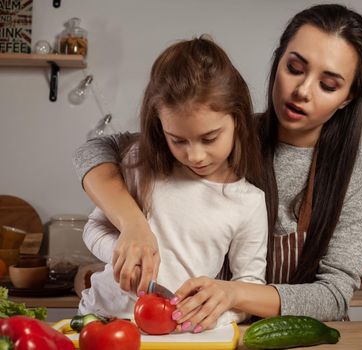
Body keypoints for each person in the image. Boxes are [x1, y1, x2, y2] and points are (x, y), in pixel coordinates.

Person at [73, 3, 362, 331]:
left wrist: (234, 294)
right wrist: (133, 226)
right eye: (294, 67)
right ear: (278, 61)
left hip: (298, 334)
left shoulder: (357, 174)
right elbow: (94, 151)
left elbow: (333, 296)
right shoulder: (218, 132)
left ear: (348, 96)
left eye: (328, 85)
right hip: (212, 332)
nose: (302, 91)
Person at [77, 37, 268, 331]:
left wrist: (216, 315)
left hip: (176, 330)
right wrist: (123, 253)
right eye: (178, 140)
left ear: (238, 120)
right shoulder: (140, 162)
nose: (195, 155)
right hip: (103, 316)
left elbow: (249, 284)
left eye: (209, 138)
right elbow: (94, 228)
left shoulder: (249, 201)